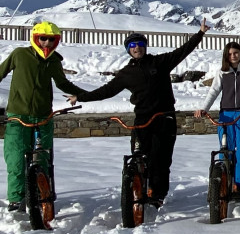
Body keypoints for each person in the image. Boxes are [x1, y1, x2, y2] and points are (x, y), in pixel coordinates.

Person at [69, 21, 209, 205]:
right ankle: (138, 188)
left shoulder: (159, 62)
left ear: (145, 47)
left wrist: (199, 34)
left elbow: (182, 51)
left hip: (164, 117)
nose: (137, 48)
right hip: (142, 119)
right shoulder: (126, 73)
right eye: (133, 46)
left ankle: (157, 195)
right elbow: (106, 91)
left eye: (140, 45)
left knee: (161, 159)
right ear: (128, 50)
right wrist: (79, 97)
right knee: (139, 156)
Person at [0, 21, 87, 211]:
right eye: (43, 38)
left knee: (42, 158)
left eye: (51, 39)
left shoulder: (54, 60)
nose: (46, 43)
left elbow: (62, 83)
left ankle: (42, 194)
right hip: (18, 116)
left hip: (43, 117)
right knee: (15, 159)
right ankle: (16, 199)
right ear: (35, 38)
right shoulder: (19, 55)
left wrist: (84, 94)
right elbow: (1, 72)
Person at [194, 41, 240, 198]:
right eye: (230, 54)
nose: (233, 56)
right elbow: (214, 91)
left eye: (236, 53)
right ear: (226, 55)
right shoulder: (222, 72)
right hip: (226, 114)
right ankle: (224, 181)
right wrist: (204, 109)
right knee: (226, 150)